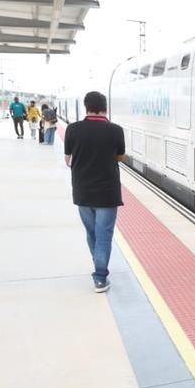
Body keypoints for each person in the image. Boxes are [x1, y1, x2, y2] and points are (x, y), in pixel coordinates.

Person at [64, 91, 125, 293]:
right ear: (104, 107)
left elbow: (67, 159)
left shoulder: (73, 129)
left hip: (82, 192)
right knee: (104, 235)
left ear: (86, 107)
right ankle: (100, 277)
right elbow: (120, 157)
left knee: (92, 234)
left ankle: (99, 265)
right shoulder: (116, 130)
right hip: (107, 193)